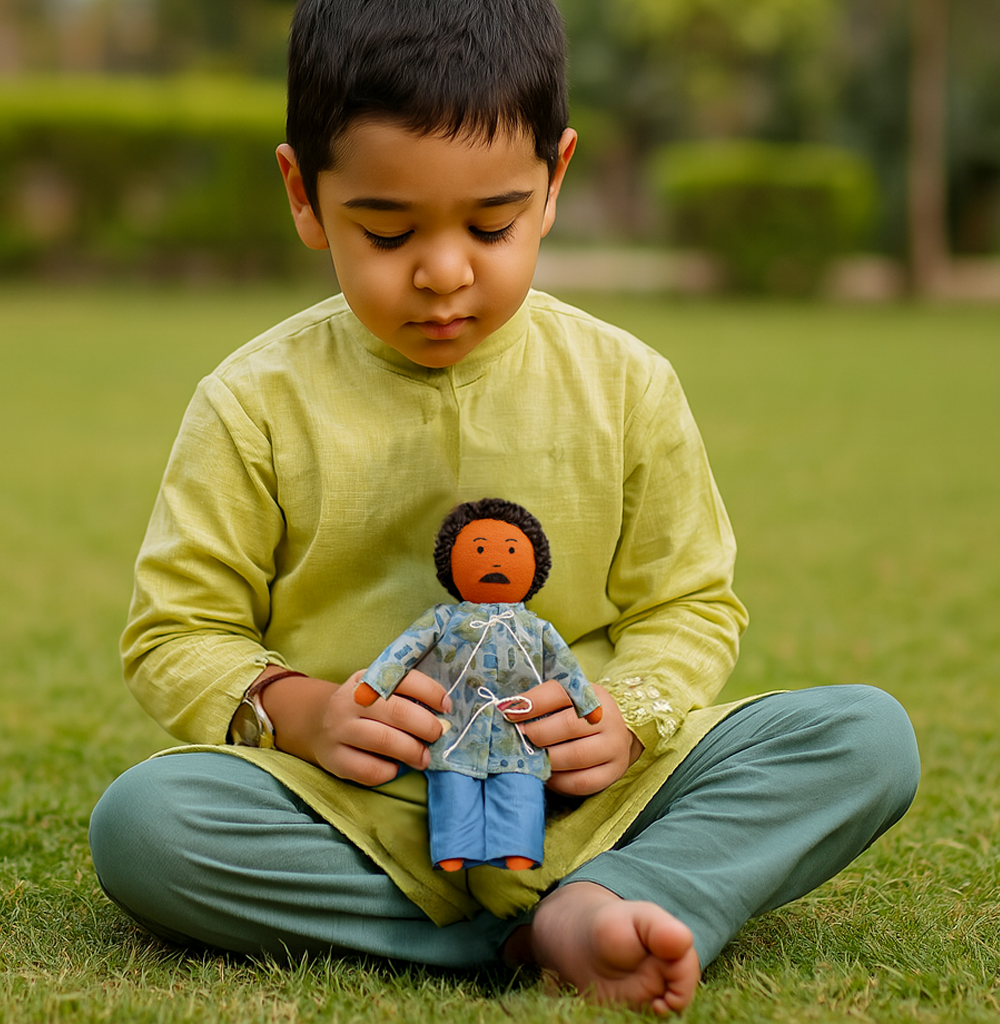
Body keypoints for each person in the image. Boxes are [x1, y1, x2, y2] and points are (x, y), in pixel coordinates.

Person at [88, 0, 920, 1015]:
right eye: (387, 230)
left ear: (554, 181)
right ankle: (570, 922)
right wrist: (302, 713)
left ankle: (593, 888)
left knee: (865, 738)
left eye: (493, 224)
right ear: (305, 196)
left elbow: (687, 606)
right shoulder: (253, 400)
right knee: (145, 824)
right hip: (362, 808)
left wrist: (627, 719)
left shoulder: (625, 384)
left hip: (593, 795)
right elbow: (179, 628)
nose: (444, 272)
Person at [358, 498, 603, 873]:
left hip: (518, 732)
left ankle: (518, 847)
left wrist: (588, 704)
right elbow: (403, 651)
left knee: (519, 785)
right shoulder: (443, 620)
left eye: (509, 551)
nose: (495, 561)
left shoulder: (536, 629)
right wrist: (375, 684)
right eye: (480, 550)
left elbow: (566, 668)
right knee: (453, 785)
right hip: (455, 726)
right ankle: (455, 849)